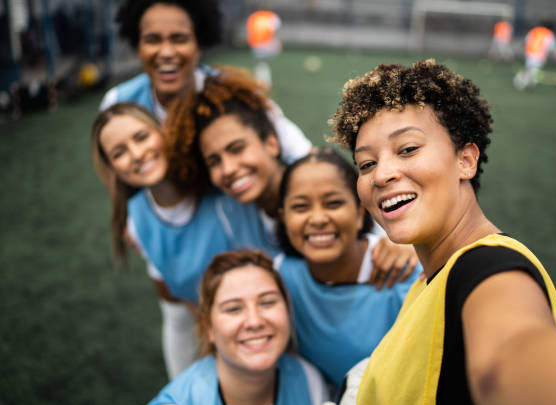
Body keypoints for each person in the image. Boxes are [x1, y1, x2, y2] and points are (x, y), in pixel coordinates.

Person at [329, 60, 556, 405]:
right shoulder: (431, 278)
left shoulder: (488, 268)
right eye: (366, 164)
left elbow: (514, 350)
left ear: (466, 160)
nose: (381, 174)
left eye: (408, 149)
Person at [167, 70, 420, 287]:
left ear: (272, 143)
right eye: (214, 161)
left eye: (237, 149)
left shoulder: (319, 175)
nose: (229, 168)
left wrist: (402, 243)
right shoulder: (231, 211)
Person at [92, 102, 239, 379]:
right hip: (208, 331)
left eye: (141, 137)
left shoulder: (220, 181)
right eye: (119, 152)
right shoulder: (136, 222)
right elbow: (170, 294)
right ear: (112, 167)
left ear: (163, 132)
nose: (137, 154)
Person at [274, 148, 422, 387]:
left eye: (333, 203)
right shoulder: (281, 277)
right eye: (301, 207)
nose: (318, 218)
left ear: (360, 212)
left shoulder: (405, 272)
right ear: (283, 217)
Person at [100, 0, 310, 162]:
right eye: (152, 40)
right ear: (138, 46)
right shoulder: (118, 104)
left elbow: (301, 153)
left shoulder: (233, 92)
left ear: (199, 44)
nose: (166, 52)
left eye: (179, 39)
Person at [143, 249, 329, 405]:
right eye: (233, 309)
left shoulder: (308, 381)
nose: (254, 321)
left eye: (267, 302)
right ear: (208, 327)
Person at [513, 25, 556, 90]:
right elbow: (551, 47)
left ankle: (529, 82)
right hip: (539, 55)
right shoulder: (549, 33)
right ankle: (522, 82)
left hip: (529, 52)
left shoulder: (534, 30)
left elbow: (526, 41)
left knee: (531, 70)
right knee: (533, 71)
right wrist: (550, 56)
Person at [246, 10, 282, 88]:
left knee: (261, 64)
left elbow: (249, 32)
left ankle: (262, 78)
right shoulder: (271, 16)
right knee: (263, 63)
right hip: (266, 46)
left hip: (255, 46)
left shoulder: (253, 16)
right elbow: (275, 31)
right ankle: (264, 81)